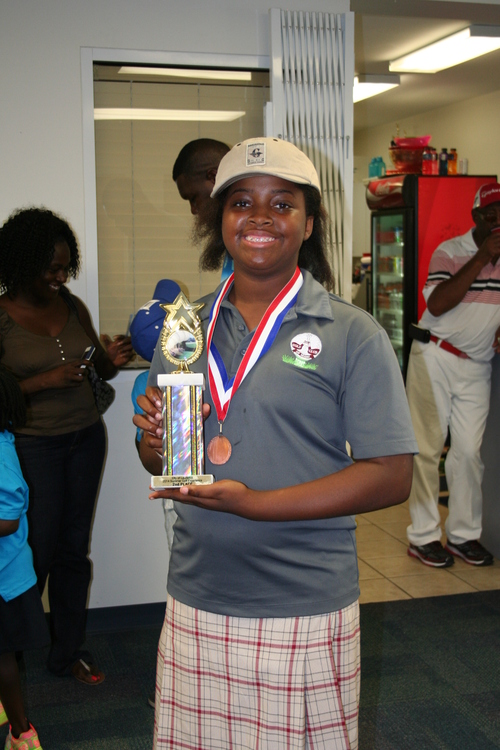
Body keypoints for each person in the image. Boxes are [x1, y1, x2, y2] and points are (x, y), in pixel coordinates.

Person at [135, 137, 417, 749]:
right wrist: (155, 440)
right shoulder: (185, 326)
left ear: (308, 222)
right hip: (199, 592)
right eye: (241, 202)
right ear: (219, 219)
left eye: (282, 203)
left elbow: (393, 475)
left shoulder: (352, 333)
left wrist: (251, 503)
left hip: (303, 600)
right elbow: (160, 461)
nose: (259, 217)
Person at [0, 207, 133, 684]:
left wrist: (110, 358)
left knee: (74, 551)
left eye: (64, 267)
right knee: (33, 551)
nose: (60, 277)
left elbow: (100, 368)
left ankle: (68, 652)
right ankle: (11, 652)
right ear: (19, 263)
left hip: (84, 438)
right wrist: (43, 381)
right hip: (32, 447)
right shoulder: (1, 316)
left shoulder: (72, 304)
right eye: (50, 269)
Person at [406, 182, 500, 568]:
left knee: (468, 453)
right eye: (491, 215)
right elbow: (439, 303)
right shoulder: (452, 251)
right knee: (427, 450)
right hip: (435, 356)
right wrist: (481, 257)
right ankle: (424, 535)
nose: (498, 222)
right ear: (476, 217)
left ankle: (463, 535)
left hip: (477, 364)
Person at [0, 365, 49, 750]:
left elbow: (7, 518)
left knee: (3, 657)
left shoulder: (1, 451)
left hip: (5, 581)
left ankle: (22, 732)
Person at [173, 138, 234, 280]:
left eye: (193, 198)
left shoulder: (254, 231)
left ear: (214, 177)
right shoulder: (231, 235)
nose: (193, 210)